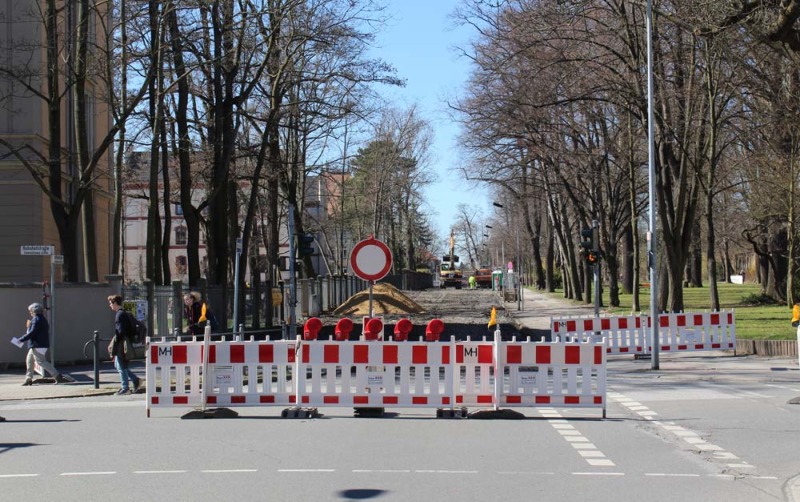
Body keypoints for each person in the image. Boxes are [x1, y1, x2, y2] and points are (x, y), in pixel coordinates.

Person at [18, 303, 67, 386]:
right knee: (29, 360)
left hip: (38, 344)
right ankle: (28, 379)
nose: (30, 313)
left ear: (34, 311)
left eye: (30, 311)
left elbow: (33, 332)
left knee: (41, 361)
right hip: (38, 344)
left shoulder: (36, 319)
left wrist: (21, 339)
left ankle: (57, 376)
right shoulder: (41, 319)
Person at [107, 295, 141, 395]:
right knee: (119, 365)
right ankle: (135, 380)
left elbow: (120, 331)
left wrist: (116, 342)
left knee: (120, 366)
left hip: (121, 343)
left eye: (110, 303)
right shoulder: (124, 313)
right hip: (125, 341)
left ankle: (125, 387)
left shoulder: (119, 315)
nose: (110, 306)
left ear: (115, 303)